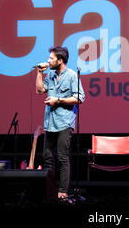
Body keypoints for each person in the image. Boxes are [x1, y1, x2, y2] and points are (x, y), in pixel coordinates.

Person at [35, 46, 85, 199]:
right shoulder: (50, 75)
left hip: (64, 122)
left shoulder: (71, 76)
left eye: (51, 58)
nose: (48, 61)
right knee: (47, 157)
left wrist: (59, 100)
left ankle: (62, 192)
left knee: (62, 157)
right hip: (50, 122)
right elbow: (39, 90)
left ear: (60, 60)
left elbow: (80, 98)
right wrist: (39, 72)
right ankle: (50, 190)